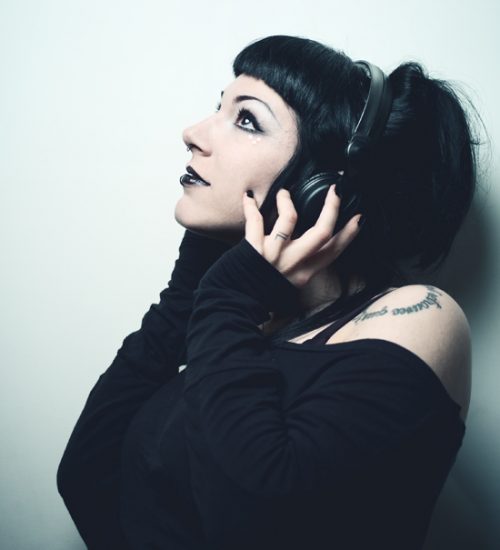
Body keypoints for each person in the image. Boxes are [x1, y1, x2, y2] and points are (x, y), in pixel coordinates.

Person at [56, 35, 482, 549]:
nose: (193, 133)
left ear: (319, 186)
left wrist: (225, 296)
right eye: (219, 107)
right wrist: (193, 287)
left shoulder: (419, 316)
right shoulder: (247, 325)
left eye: (246, 119)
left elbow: (255, 521)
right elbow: (85, 476)